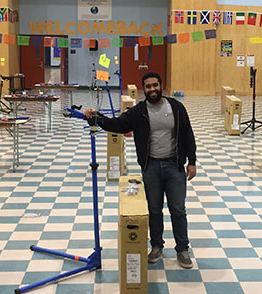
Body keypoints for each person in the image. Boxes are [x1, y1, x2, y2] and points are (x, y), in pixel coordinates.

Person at [83, 72, 197, 269]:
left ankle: (182, 249)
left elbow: (188, 133)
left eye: (155, 85)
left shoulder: (176, 107)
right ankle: (156, 246)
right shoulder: (139, 111)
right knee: (154, 209)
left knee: (178, 209)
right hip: (151, 167)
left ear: (161, 85)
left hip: (174, 166)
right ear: (144, 89)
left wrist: (192, 161)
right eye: (148, 86)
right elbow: (118, 125)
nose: (152, 89)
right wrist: (97, 118)